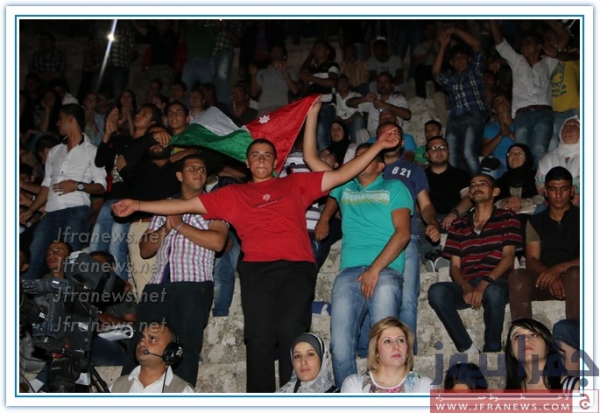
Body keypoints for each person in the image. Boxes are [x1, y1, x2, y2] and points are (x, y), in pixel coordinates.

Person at [112, 97, 401, 393]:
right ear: (247, 163)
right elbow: (183, 204)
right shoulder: (232, 195)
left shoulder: (295, 184)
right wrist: (137, 204)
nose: (261, 159)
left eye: (267, 155)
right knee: (259, 338)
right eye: (255, 155)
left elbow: (343, 174)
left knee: (291, 333)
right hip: (256, 271)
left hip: (296, 267)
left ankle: (293, 399)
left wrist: (378, 145)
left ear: (275, 163)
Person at [307, 142, 412, 388]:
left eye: (368, 157)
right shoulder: (345, 186)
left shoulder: (394, 187)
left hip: (385, 270)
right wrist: (324, 218)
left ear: (380, 165)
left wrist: (375, 269)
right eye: (358, 156)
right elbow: (312, 159)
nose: (361, 161)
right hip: (348, 272)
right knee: (340, 345)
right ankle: (350, 397)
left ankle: (386, 395)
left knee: (385, 340)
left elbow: (403, 234)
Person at [120, 154, 228, 387]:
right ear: (179, 175)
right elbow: (145, 249)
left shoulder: (214, 203)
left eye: (202, 168)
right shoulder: (165, 205)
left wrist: (180, 225)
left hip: (193, 286)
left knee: (184, 349)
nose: (199, 172)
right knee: (140, 345)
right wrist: (165, 230)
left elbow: (218, 242)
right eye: (192, 168)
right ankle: (125, 396)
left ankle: (179, 399)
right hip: (157, 286)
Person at [427, 174, 522, 353]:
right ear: (469, 194)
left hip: (497, 281)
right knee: (436, 291)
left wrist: (484, 284)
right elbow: (455, 267)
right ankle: (467, 347)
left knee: (493, 291)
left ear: (495, 191)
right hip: (468, 283)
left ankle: (492, 348)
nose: (476, 187)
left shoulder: (508, 217)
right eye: (472, 185)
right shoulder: (459, 224)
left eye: (482, 184)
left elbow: (508, 258)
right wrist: (466, 287)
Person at [20, 104, 107, 280]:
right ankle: (25, 296)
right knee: (34, 255)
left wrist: (78, 186)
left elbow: (101, 186)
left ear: (70, 119)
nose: (57, 124)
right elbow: (46, 186)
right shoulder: (54, 151)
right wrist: (31, 209)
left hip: (76, 210)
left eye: (60, 119)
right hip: (50, 212)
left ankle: (66, 296)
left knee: (69, 260)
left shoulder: (92, 151)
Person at [509, 166, 579, 321]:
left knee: (575, 274)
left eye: (564, 189)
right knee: (518, 276)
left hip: (577, 280)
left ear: (572, 190)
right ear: (546, 191)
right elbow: (532, 259)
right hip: (545, 279)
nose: (558, 195)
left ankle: (574, 331)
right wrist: (550, 275)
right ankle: (523, 331)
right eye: (553, 189)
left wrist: (558, 269)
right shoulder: (535, 221)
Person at [489, 20, 558, 167]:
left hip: (544, 113)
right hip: (522, 114)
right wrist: (492, 19)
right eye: (522, 44)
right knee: (521, 151)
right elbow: (501, 43)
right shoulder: (517, 61)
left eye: (528, 43)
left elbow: (564, 38)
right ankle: (523, 180)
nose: (523, 46)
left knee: (539, 150)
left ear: (539, 46)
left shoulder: (548, 62)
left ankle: (538, 181)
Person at [432, 26, 489, 177]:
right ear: (451, 63)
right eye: (455, 58)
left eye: (462, 56)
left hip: (473, 115)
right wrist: (443, 46)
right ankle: (456, 187)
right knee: (451, 155)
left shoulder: (475, 71)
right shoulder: (451, 79)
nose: (459, 60)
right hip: (454, 119)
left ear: (469, 59)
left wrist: (455, 31)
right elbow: (436, 72)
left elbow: (477, 45)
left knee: (468, 152)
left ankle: (479, 185)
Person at [341, 317, 435, 393]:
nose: (396, 346)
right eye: (387, 341)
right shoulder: (355, 384)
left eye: (400, 340)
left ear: (407, 349)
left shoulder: (424, 384)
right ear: (376, 351)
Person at [110, 322, 194, 393]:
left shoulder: (182, 391)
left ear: (170, 351)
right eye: (142, 337)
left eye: (152, 339)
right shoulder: (117, 386)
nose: (142, 342)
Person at [505, 318, 579, 390]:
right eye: (518, 337)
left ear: (547, 347)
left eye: (534, 335)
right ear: (511, 351)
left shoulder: (573, 388)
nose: (526, 339)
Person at [536, 117, 580, 207]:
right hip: (552, 204)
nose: (569, 128)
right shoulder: (549, 157)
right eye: (566, 126)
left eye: (574, 126)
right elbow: (540, 186)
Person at [495, 144, 544, 218]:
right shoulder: (500, 181)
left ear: (527, 157)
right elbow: (493, 202)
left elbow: (543, 198)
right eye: (511, 153)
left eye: (519, 153)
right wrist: (506, 201)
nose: (515, 155)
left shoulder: (537, 178)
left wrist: (521, 203)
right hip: (505, 220)